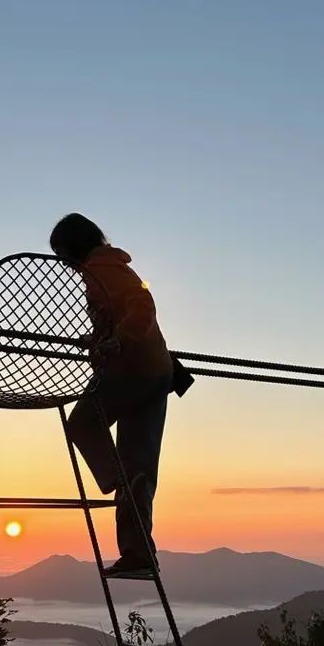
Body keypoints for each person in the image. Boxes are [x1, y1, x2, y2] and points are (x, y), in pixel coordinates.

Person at [49, 213, 192, 580]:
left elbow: (142, 307)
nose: (63, 262)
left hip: (131, 372)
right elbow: (127, 312)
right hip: (155, 374)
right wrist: (101, 339)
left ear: (73, 247)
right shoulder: (113, 266)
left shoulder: (102, 269)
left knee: (82, 424)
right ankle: (138, 554)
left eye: (61, 253)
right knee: (140, 467)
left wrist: (117, 341)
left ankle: (118, 481)